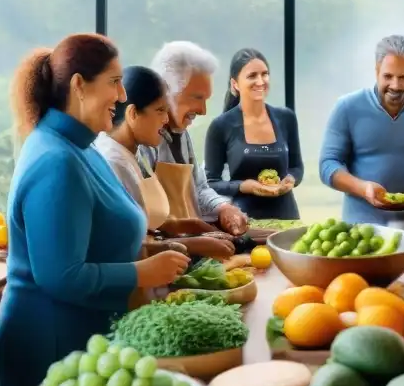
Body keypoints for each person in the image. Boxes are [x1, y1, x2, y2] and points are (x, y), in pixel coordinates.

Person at [0, 35, 190, 386]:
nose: (123, 92)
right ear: (79, 85)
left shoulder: (81, 147)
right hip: (48, 347)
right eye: (113, 81)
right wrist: (141, 274)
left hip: (80, 340)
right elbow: (61, 275)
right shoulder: (57, 159)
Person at [93, 65, 234, 262]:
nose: (166, 119)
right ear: (132, 114)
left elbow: (141, 220)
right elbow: (122, 246)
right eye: (160, 110)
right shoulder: (113, 162)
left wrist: (184, 225)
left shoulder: (135, 153)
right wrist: (191, 244)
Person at [319, 35, 404, 226]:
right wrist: (362, 188)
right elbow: (328, 164)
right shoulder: (347, 107)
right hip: (358, 229)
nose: (395, 86)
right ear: (377, 70)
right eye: (388, 76)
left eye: (403, 77)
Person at [143, 42, 249, 238]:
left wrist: (223, 208)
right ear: (166, 91)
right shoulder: (142, 142)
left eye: (206, 99)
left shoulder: (182, 134)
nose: (203, 110)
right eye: (197, 98)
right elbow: (144, 218)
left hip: (188, 248)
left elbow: (199, 188)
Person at [204, 48, 304, 220]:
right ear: (235, 83)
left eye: (265, 74)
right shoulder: (221, 126)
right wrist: (244, 186)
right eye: (252, 76)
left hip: (287, 217)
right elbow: (211, 182)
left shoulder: (286, 118)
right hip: (244, 220)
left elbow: (297, 168)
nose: (260, 81)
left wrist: (290, 180)